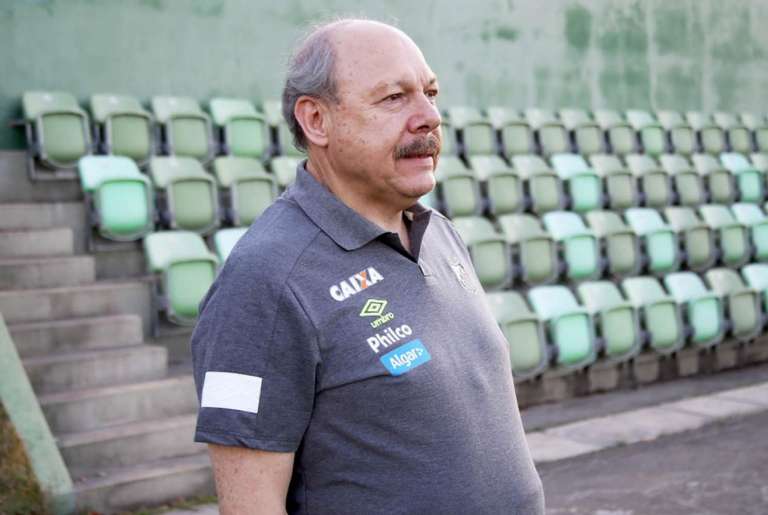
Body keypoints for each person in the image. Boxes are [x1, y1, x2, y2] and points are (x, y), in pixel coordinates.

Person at [191, 18, 545, 514]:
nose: (429, 117)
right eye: (394, 98)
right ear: (316, 120)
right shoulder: (264, 279)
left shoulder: (439, 233)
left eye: (431, 93)